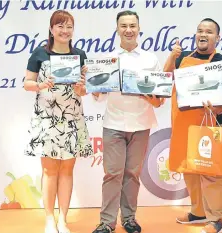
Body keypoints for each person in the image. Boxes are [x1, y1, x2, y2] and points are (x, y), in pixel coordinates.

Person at [91, 10, 165, 233]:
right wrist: (92, 85)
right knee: (112, 173)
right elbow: (98, 96)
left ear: (139, 28)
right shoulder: (108, 59)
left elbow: (159, 100)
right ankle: (106, 222)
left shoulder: (150, 59)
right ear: (117, 29)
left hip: (141, 124)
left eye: (132, 25)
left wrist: (148, 94)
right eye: (124, 26)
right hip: (113, 124)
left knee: (132, 174)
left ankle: (129, 219)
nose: (128, 30)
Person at [24, 10, 93, 233]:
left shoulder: (80, 55)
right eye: (60, 26)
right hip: (47, 119)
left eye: (69, 26)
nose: (65, 31)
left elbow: (85, 90)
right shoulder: (39, 54)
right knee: (49, 171)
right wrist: (41, 85)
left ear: (73, 30)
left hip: (72, 119)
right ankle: (49, 219)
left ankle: (63, 219)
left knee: (67, 171)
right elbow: (27, 83)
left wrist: (80, 88)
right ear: (52, 29)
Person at [163, 18, 222, 233]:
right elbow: (164, 80)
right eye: (200, 31)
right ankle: (198, 212)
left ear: (218, 38)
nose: (203, 35)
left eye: (209, 32)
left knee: (212, 172)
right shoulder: (182, 58)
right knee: (190, 170)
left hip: (213, 123)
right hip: (184, 123)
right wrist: (171, 57)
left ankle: (216, 219)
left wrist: (221, 108)